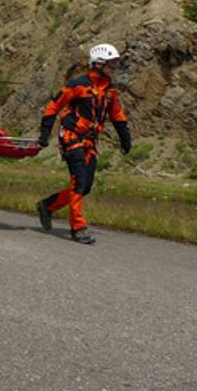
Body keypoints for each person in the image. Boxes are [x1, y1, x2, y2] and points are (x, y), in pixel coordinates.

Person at [36, 43, 132, 244]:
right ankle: (78, 227)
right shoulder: (77, 84)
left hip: (90, 141)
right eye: (111, 64)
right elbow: (54, 106)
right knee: (78, 181)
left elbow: (117, 114)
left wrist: (125, 138)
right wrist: (44, 134)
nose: (114, 68)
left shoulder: (110, 90)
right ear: (97, 63)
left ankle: (48, 206)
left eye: (115, 64)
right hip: (71, 136)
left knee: (85, 186)